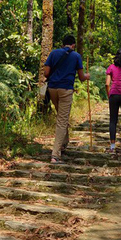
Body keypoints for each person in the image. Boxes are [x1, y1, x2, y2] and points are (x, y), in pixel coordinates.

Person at [43, 35, 90, 164]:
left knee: (61, 117)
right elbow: (81, 77)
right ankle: (55, 155)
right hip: (66, 90)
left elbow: (46, 73)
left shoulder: (54, 53)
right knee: (62, 121)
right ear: (73, 45)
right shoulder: (76, 56)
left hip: (52, 89)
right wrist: (87, 76)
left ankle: (64, 142)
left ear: (63, 44)